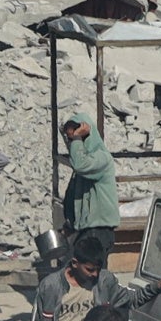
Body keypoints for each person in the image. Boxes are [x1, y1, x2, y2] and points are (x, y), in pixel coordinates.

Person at [59, 110, 120, 271]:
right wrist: (70, 223)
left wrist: (77, 138)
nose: (72, 144)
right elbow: (74, 197)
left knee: (91, 277)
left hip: (98, 231)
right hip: (87, 230)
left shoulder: (100, 158)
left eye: (75, 139)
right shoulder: (83, 163)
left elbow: (80, 164)